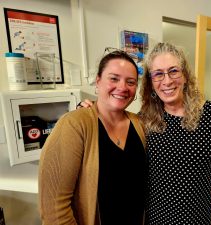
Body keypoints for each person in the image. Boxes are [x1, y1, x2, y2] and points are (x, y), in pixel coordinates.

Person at [79, 42, 211, 225]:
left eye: (173, 71)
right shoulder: (142, 122)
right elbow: (112, 123)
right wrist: (89, 110)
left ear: (185, 76)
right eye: (158, 74)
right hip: (155, 220)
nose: (167, 81)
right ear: (151, 83)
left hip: (199, 219)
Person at [38, 50, 146, 225]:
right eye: (114, 78)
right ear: (98, 81)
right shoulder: (74, 125)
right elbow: (54, 209)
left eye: (130, 82)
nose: (122, 87)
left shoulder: (139, 124)